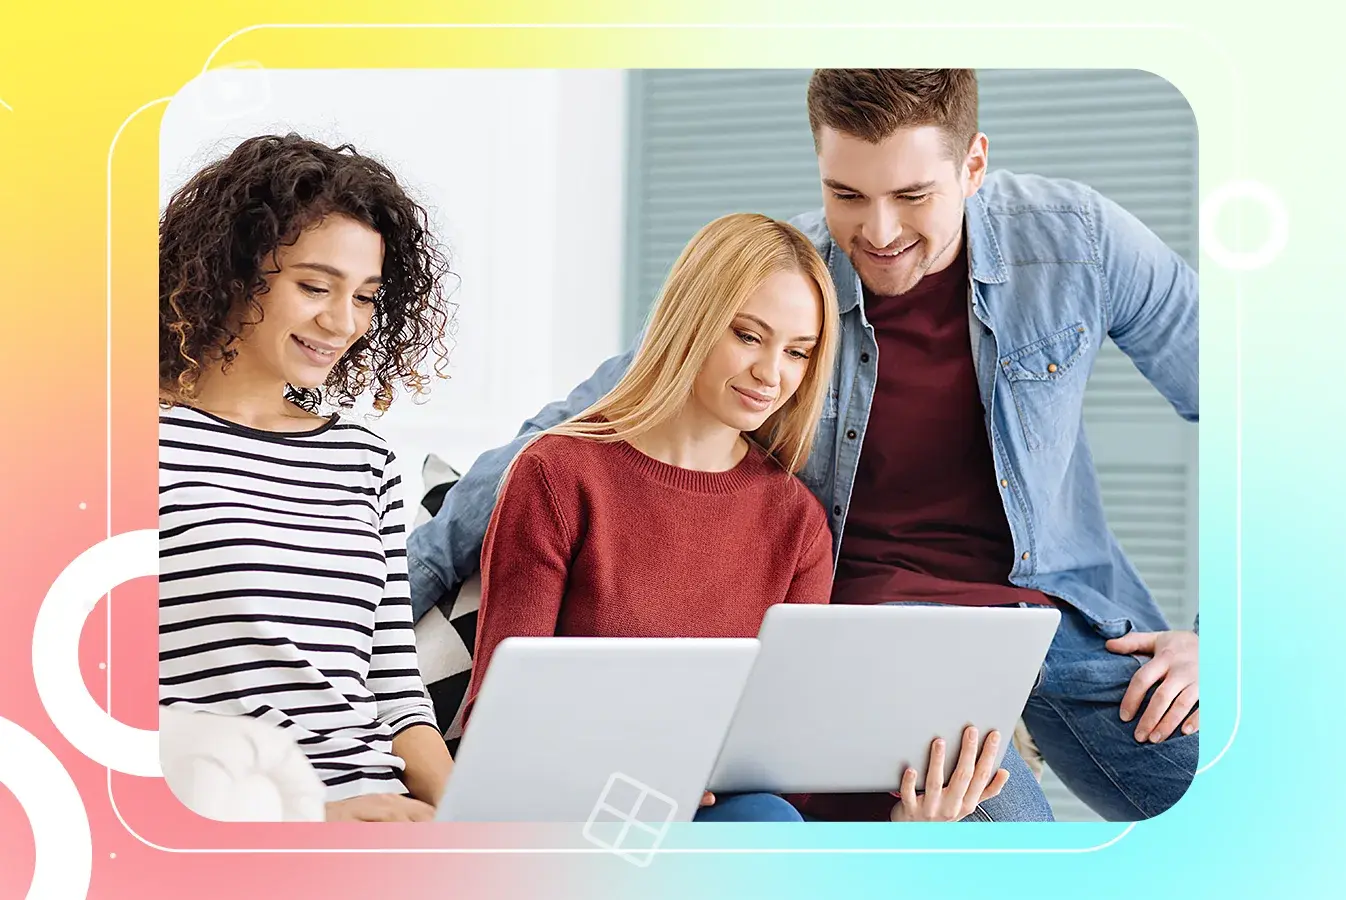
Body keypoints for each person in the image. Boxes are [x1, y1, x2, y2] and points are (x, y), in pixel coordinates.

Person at [409, 69, 1201, 823]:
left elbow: (1269, 408)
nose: (879, 232)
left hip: (1064, 618)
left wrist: (1225, 632)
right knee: (1006, 845)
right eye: (846, 193)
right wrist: (381, 608)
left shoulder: (1078, 243)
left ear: (974, 163)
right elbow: (582, 420)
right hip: (884, 648)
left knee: (1257, 794)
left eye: (913, 195)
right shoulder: (787, 281)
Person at [463, 212, 1011, 823]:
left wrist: (908, 829)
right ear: (691, 321)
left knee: (772, 822)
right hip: (577, 807)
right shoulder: (558, 473)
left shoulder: (796, 521)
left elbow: (788, 762)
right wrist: (626, 784)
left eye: (798, 352)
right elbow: (501, 709)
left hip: (728, 818)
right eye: (749, 336)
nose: (771, 375)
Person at [158, 134, 456, 822]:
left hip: (384, 810)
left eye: (366, 296)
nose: (342, 322)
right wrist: (305, 822)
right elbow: (85, 702)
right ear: (231, 270)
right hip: (243, 820)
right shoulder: (117, 446)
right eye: (316, 287)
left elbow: (393, 685)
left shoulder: (363, 460)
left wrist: (470, 819)